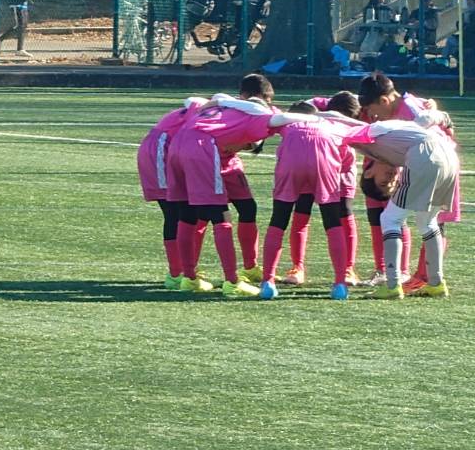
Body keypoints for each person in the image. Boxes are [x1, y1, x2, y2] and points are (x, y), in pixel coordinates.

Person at [166, 73, 314, 299]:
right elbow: (278, 120)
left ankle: (189, 277)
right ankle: (232, 281)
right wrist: (316, 120)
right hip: (204, 149)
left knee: (189, 214)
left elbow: (196, 101)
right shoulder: (259, 113)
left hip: (179, 145)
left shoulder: (228, 105)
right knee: (220, 217)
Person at [340, 115, 460, 299]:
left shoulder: (359, 136)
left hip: (427, 153)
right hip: (449, 157)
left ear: (368, 173)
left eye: (384, 182)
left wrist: (312, 116)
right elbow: (422, 122)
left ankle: (392, 285)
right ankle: (436, 284)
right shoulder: (387, 142)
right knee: (427, 222)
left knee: (389, 218)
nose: (391, 179)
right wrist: (442, 118)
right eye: (390, 185)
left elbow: (342, 123)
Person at [259, 92, 361, 301]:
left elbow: (265, 123)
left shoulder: (288, 123)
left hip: (291, 163)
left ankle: (267, 281)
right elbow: (347, 158)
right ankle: (340, 284)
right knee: (332, 222)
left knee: (279, 220)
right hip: (324, 160)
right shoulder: (334, 124)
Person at [137, 97, 209, 290]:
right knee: (174, 212)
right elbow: (192, 101)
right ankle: (176, 274)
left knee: (188, 211)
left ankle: (185, 270)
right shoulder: (214, 109)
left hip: (170, 150)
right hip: (161, 150)